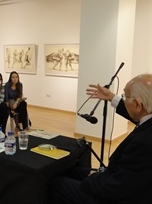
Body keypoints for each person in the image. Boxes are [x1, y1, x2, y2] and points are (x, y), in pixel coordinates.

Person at [49, 74, 152, 204]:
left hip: (119, 193)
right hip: (123, 180)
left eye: (125, 96)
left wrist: (94, 178)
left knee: (57, 184)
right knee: (71, 171)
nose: (123, 100)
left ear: (137, 104)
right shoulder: (148, 118)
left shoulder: (144, 143)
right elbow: (140, 114)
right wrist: (112, 97)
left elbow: (118, 187)